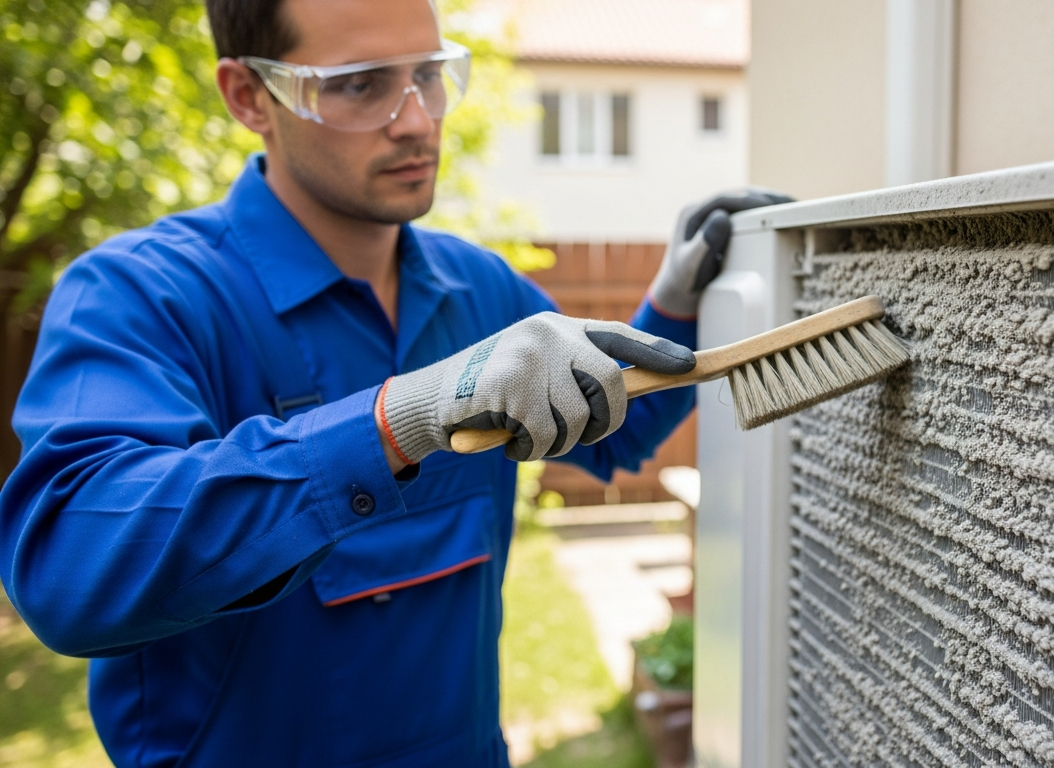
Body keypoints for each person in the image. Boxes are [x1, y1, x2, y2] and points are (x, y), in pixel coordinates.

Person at [0, 0, 789, 764]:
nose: (416, 119)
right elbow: (71, 568)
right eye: (359, 84)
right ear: (250, 96)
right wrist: (398, 418)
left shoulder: (478, 292)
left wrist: (677, 304)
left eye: (430, 74)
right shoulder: (140, 295)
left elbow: (621, 431)